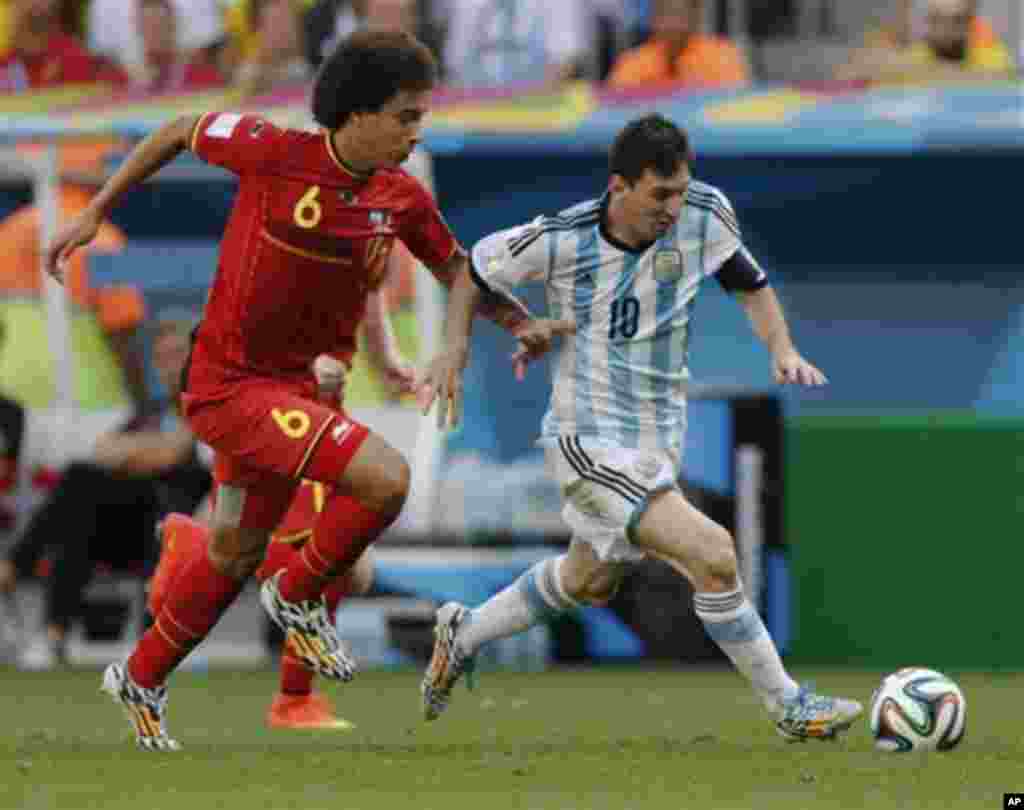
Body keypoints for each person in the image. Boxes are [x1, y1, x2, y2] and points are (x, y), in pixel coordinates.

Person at [46, 28, 549, 751]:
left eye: (421, 117)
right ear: (357, 113)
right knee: (386, 479)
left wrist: (520, 322)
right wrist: (97, 210)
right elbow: (180, 129)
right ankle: (300, 595)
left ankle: (142, 675)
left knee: (232, 556)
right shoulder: (273, 151)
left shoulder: (399, 199)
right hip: (229, 387)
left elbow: (457, 269)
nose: (416, 131)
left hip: (292, 393)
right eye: (406, 116)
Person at [416, 113, 863, 742]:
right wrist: (456, 348)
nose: (675, 209)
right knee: (714, 556)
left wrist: (781, 349)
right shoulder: (562, 238)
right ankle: (789, 705)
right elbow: (472, 270)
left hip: (656, 439)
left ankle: (465, 631)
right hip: (587, 439)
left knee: (587, 580)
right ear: (619, 186)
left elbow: (747, 282)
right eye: (660, 195)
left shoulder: (705, 213)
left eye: (681, 191)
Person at [0, 309, 211, 669]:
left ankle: (13, 568)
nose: (168, 366)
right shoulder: (149, 412)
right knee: (81, 487)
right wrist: (154, 451)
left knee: (156, 499)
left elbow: (172, 454)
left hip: (186, 533)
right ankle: (52, 636)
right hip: (129, 531)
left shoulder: (212, 408)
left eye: (177, 356)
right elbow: (103, 450)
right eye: (161, 358)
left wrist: (141, 453)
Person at [606, 0, 748, 90]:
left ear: (695, 16)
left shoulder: (722, 56)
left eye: (679, 13)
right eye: (664, 13)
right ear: (653, 18)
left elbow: (733, 102)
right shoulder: (633, 62)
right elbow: (614, 105)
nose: (671, 23)